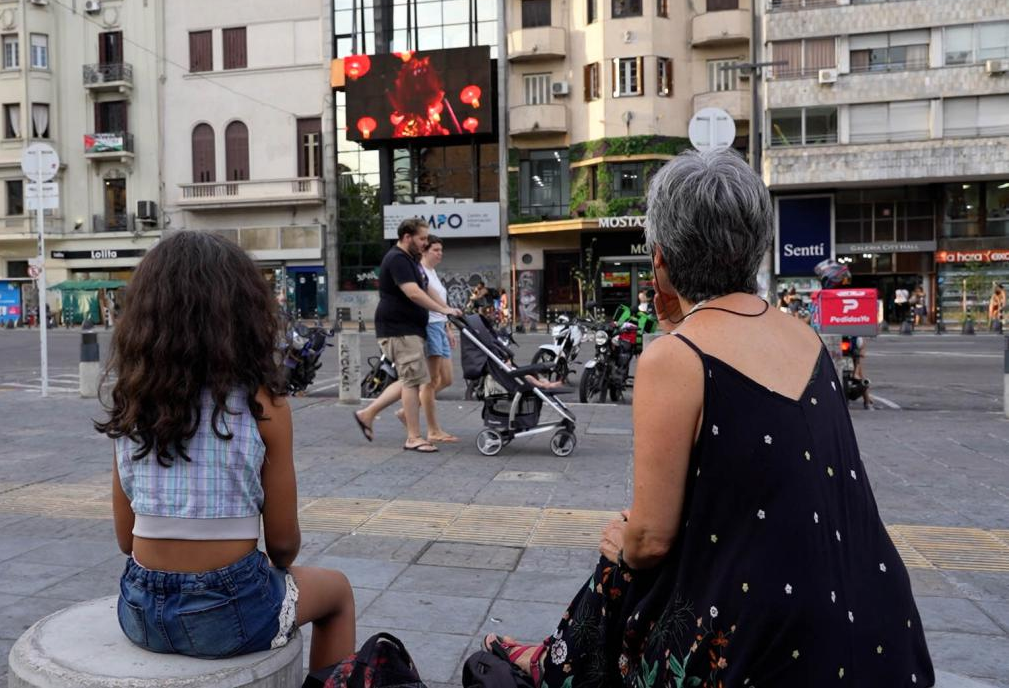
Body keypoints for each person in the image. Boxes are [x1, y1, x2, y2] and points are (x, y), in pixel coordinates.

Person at [480, 149, 933, 688]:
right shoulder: (805, 337)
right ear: (757, 248)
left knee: (621, 557)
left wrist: (621, 537)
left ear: (661, 260)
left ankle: (557, 660)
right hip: (882, 624)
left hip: (769, 650)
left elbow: (651, 541)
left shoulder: (677, 358)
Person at [96, 231, 355, 669]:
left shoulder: (134, 401)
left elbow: (126, 540)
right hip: (230, 610)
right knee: (338, 592)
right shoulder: (262, 403)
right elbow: (284, 545)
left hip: (138, 609)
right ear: (243, 314)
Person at [352, 219, 461, 453]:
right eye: (422, 238)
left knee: (412, 379)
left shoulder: (411, 260)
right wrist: (441, 310)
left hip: (409, 329)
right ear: (407, 236)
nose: (425, 243)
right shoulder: (397, 259)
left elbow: (426, 288)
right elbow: (412, 292)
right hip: (399, 329)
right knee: (413, 381)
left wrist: (448, 310)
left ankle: (367, 413)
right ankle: (413, 437)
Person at [418, 235, 459, 444]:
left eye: (441, 250)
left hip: (440, 327)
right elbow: (428, 302)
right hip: (430, 326)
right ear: (424, 251)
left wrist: (448, 328)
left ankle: (410, 408)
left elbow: (442, 304)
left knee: (447, 379)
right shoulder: (421, 271)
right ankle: (433, 429)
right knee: (430, 381)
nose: (439, 253)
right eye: (435, 250)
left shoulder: (433, 272)